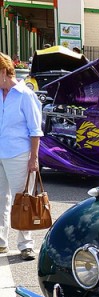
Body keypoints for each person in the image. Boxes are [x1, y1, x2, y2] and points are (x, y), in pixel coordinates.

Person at [0, 52, 43, 260]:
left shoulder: (25, 94)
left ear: (3, 71)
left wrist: (33, 159)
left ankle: (25, 244)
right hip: (0, 153)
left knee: (23, 200)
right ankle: (1, 241)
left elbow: (35, 130)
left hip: (19, 154)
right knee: (1, 199)